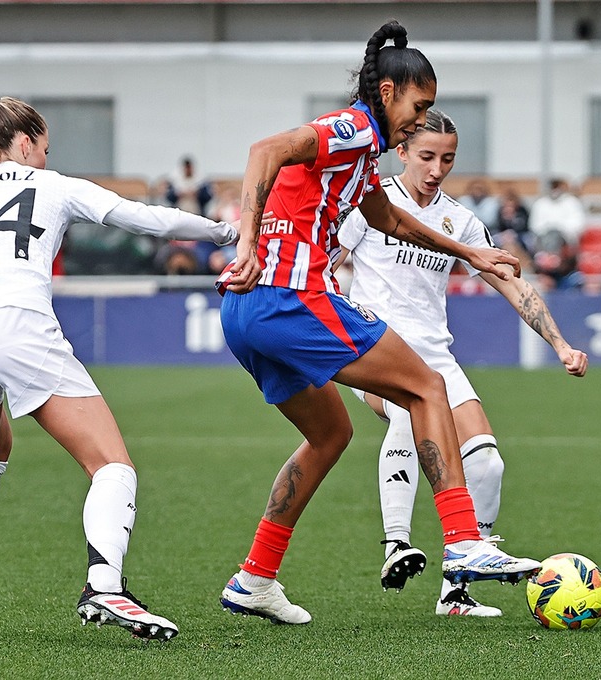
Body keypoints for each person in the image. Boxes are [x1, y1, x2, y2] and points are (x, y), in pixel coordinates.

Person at [215, 20, 540, 626]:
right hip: (289, 298)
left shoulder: (361, 155)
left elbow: (387, 218)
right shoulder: (355, 126)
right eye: (419, 107)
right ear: (387, 92)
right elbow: (266, 150)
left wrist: (469, 252)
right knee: (427, 386)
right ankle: (466, 540)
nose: (422, 121)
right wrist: (249, 242)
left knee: (330, 435)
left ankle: (255, 576)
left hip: (246, 313)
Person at [0, 88, 237, 642]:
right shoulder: (51, 185)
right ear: (24, 144)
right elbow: (146, 219)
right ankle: (105, 586)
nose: (47, 157)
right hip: (17, 328)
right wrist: (225, 232)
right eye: (44, 146)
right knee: (112, 466)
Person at [336, 108, 588, 617]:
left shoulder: (461, 220)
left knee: (488, 464)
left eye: (447, 159)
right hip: (377, 349)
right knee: (409, 416)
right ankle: (396, 544)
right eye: (427, 156)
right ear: (401, 150)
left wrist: (559, 343)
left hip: (436, 359)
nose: (436, 168)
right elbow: (324, 264)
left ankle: (458, 586)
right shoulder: (370, 204)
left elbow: (509, 281)